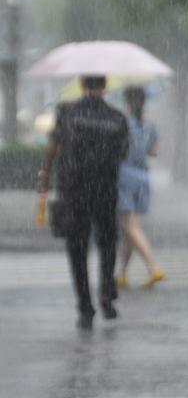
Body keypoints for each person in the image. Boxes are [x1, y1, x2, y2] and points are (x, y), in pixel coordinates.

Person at [37, 76, 129, 330]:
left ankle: (85, 306)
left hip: (74, 190)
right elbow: (124, 154)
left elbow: (52, 147)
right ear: (105, 87)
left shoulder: (67, 113)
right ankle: (107, 296)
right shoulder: (117, 117)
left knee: (77, 249)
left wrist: (44, 176)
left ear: (82, 85)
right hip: (105, 190)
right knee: (107, 243)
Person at [114, 86, 164, 289]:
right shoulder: (150, 125)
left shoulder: (122, 123)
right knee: (128, 229)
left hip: (124, 175)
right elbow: (153, 152)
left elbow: (118, 150)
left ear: (127, 102)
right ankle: (122, 274)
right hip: (143, 177)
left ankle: (153, 268)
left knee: (130, 225)